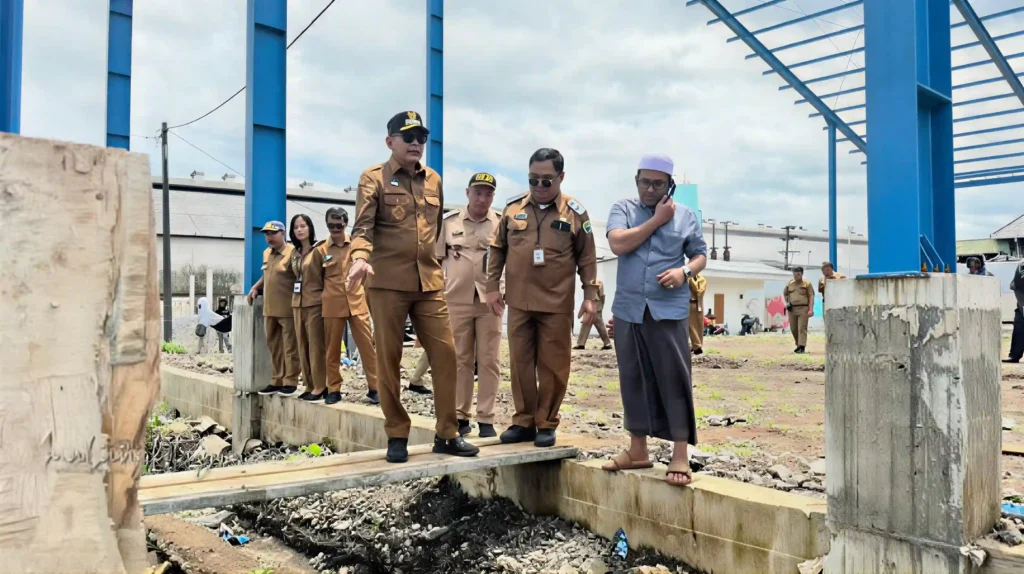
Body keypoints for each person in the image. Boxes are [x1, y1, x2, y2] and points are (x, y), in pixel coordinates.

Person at [347, 111, 479, 463]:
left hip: (429, 282)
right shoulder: (372, 179)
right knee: (389, 359)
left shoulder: (433, 179)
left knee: (447, 354)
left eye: (421, 137)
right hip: (387, 283)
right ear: (390, 141)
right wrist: (360, 257)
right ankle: (396, 433)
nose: (416, 143)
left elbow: (434, 231)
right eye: (408, 137)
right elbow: (362, 228)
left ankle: (447, 434)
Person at [601, 153, 707, 487]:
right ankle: (637, 450)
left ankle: (679, 454)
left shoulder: (687, 217)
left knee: (673, 378)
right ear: (636, 181)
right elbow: (618, 244)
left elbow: (700, 254)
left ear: (669, 184)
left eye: (657, 183)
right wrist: (657, 220)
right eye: (644, 181)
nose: (649, 188)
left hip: (668, 309)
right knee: (632, 378)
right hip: (629, 309)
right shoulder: (624, 209)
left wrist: (684, 271)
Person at [486, 148, 599, 448]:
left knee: (552, 366)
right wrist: (491, 286)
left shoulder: (575, 213)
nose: (539, 186)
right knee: (521, 364)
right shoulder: (512, 210)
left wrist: (591, 296)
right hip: (520, 303)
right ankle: (523, 421)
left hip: (556, 304)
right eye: (533, 179)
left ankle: (546, 422)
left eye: (546, 181)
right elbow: (497, 249)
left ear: (561, 177)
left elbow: (587, 258)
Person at [436, 173, 504, 437]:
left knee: (489, 360)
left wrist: (502, 290)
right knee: (460, 359)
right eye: (477, 192)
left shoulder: (500, 224)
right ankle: (461, 415)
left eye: (488, 193)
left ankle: (486, 417)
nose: (482, 198)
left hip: (490, 300)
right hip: (456, 299)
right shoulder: (449, 223)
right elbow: (436, 260)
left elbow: (507, 261)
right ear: (467, 192)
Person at [316, 207, 380, 405]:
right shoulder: (320, 251)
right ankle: (334, 388)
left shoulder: (356, 247)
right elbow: (315, 281)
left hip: (357, 303)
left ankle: (375, 387)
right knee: (332, 349)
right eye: (331, 225)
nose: (335, 229)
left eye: (339, 225)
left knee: (367, 347)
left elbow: (368, 278)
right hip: (332, 304)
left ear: (345, 224)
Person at [247, 221, 300, 396]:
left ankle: (290, 381)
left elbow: (301, 276)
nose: (269, 237)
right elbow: (267, 274)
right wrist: (255, 287)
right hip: (269, 310)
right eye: (267, 234)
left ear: (283, 233)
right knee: (274, 346)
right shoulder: (267, 253)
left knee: (290, 347)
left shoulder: (292, 252)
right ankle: (277, 380)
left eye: (273, 233)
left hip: (288, 309)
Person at [289, 214, 328, 403]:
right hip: (297, 303)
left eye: (303, 226)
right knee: (302, 345)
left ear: (310, 228)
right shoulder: (294, 253)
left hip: (315, 303)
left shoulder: (319, 250)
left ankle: (321, 385)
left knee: (316, 345)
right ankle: (309, 384)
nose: (299, 230)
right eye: (296, 227)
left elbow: (327, 275)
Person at [574, 280, 612, 351]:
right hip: (593, 306)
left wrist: (599, 308)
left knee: (599, 327)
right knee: (588, 325)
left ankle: (607, 343)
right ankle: (581, 344)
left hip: (595, 307)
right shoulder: (592, 282)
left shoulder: (598, 283)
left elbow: (600, 296)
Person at [784, 266, 814, 354]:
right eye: (794, 274)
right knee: (793, 328)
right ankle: (798, 345)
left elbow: (811, 296)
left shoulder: (807, 284)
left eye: (798, 274)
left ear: (801, 274)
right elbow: (785, 293)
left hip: (803, 308)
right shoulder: (789, 283)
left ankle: (802, 346)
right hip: (792, 309)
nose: (796, 276)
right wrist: (787, 302)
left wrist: (810, 309)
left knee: (802, 327)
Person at [1007, 260, 1024, 364]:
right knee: (1019, 328)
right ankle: (1014, 355)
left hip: (1021, 301)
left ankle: (1014, 355)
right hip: (1021, 303)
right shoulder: (1021, 265)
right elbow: (1014, 284)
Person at [687, 273, 707, 355]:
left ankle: (698, 346)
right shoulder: (687, 278)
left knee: (699, 326)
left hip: (698, 305)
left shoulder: (702, 279)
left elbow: (699, 291)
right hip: (689, 304)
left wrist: (691, 280)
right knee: (691, 326)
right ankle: (696, 346)